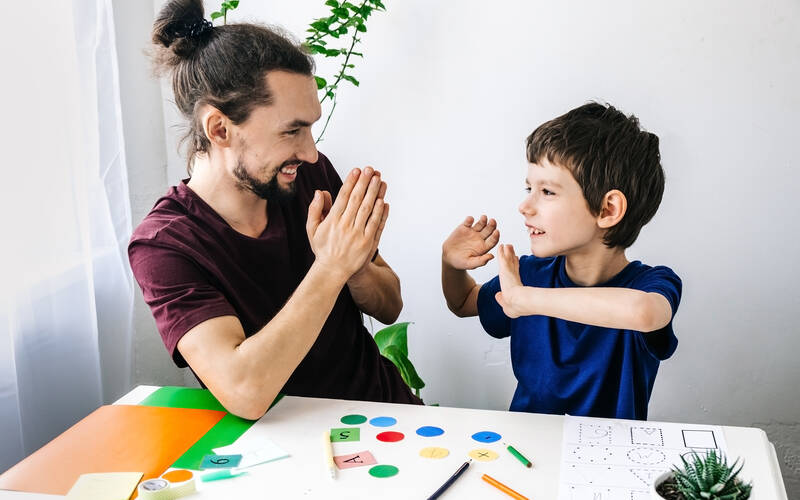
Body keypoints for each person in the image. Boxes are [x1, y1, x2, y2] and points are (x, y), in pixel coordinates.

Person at [129, 0, 421, 420]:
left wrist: (355, 263)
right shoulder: (166, 246)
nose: (310, 150)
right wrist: (331, 266)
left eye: (311, 126)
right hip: (283, 455)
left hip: (389, 417)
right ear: (220, 129)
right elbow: (245, 392)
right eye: (292, 130)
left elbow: (389, 305)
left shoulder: (310, 176)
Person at [441, 102, 681, 420]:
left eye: (548, 192)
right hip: (526, 453)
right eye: (529, 188)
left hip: (609, 462)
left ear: (607, 210)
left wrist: (526, 300)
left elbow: (644, 313)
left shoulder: (651, 285)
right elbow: (462, 302)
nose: (525, 206)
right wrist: (451, 265)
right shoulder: (527, 274)